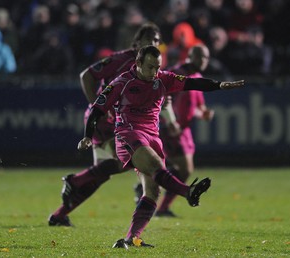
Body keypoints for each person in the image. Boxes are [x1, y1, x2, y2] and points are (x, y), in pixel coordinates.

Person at [77, 45, 244, 248]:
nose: (154, 72)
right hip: (128, 136)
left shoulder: (163, 79)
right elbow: (97, 110)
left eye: (157, 67)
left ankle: (131, 238)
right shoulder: (121, 83)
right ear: (137, 64)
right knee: (156, 165)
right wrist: (87, 136)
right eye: (150, 67)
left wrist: (219, 85)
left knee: (153, 191)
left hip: (153, 137)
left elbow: (192, 83)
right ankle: (187, 192)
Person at [47, 22, 166, 227]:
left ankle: (59, 214)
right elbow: (87, 76)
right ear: (137, 42)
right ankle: (75, 181)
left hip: (117, 122)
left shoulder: (150, 66)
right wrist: (98, 105)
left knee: (100, 175)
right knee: (127, 160)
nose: (153, 43)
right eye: (149, 39)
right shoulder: (121, 59)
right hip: (106, 121)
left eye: (156, 40)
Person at [154, 44, 215, 217]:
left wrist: (203, 113)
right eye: (201, 56)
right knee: (185, 168)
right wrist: (170, 120)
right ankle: (161, 202)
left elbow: (197, 107)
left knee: (182, 168)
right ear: (191, 56)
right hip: (171, 127)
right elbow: (163, 95)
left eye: (206, 57)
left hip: (184, 129)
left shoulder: (197, 77)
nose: (204, 61)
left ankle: (158, 195)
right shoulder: (178, 73)